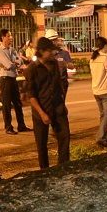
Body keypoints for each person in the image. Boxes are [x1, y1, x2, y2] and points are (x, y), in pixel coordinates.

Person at [25, 36, 70, 169]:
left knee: (65, 138)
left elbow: (59, 85)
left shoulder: (54, 64)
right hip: (41, 111)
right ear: (41, 51)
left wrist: (63, 104)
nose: (52, 53)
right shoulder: (32, 69)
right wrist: (42, 113)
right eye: (49, 51)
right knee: (42, 145)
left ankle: (63, 168)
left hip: (57, 107)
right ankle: (44, 172)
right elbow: (31, 95)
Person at [0, 28, 29, 135]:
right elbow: (9, 64)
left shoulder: (13, 50)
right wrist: (13, 64)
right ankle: (8, 127)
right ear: (3, 37)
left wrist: (12, 64)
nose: (11, 38)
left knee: (18, 103)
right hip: (5, 80)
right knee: (7, 105)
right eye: (9, 36)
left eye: (11, 36)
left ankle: (21, 125)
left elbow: (20, 61)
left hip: (13, 79)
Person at [89, 36, 107, 147]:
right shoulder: (105, 58)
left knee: (103, 114)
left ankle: (106, 135)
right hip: (106, 90)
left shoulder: (93, 58)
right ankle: (100, 137)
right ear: (104, 46)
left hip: (96, 90)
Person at [45, 29, 73, 97]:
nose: (53, 42)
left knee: (61, 102)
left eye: (55, 40)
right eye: (51, 40)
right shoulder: (46, 54)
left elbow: (71, 66)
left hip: (62, 81)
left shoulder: (64, 53)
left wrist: (66, 64)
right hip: (50, 82)